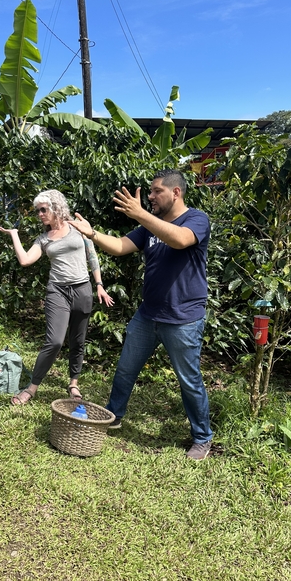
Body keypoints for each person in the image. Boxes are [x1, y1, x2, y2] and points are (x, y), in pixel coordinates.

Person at [67, 169, 212, 460]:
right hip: (148, 314)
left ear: (176, 192)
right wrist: (93, 234)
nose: (150, 196)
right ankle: (114, 415)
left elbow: (180, 240)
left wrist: (141, 215)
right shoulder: (149, 228)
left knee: (189, 380)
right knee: (125, 370)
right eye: (150, 191)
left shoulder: (197, 219)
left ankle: (202, 437)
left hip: (183, 318)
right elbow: (121, 246)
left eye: (156, 191)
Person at [0, 189, 114, 405]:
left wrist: (99, 284)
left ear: (56, 207)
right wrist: (14, 235)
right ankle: (32, 388)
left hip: (82, 289)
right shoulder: (43, 239)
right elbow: (25, 260)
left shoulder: (77, 227)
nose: (40, 214)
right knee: (54, 341)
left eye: (43, 209)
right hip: (57, 291)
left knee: (78, 340)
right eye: (37, 211)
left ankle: (73, 383)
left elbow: (92, 255)